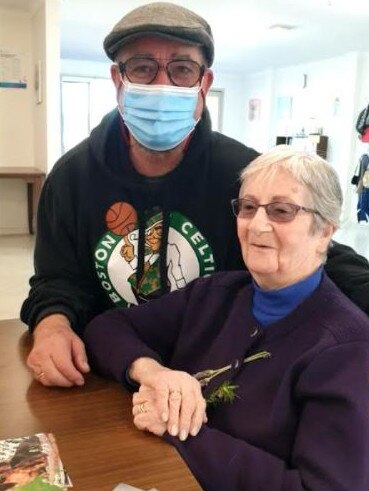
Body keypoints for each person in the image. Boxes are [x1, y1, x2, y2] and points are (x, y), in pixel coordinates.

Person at [21, 2, 369, 389]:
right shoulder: (72, 178)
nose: (162, 85)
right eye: (142, 67)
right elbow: (56, 281)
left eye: (182, 69)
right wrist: (51, 325)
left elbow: (316, 255)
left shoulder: (244, 174)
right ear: (118, 80)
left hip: (217, 377)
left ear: (204, 83)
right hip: (105, 369)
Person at [84, 147, 369, 491]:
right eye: (248, 207)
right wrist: (156, 375)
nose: (257, 225)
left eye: (281, 211)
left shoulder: (348, 349)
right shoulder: (213, 294)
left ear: (325, 230)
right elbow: (106, 328)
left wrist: (180, 428)